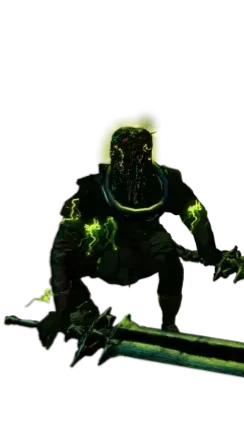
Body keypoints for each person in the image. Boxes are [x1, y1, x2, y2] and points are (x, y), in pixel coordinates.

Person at [40, 112, 221, 345]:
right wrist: (62, 305)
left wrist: (210, 255)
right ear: (114, 154)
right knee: (70, 260)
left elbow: (194, 215)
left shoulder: (167, 180)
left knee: (167, 254)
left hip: (148, 241)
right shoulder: (91, 189)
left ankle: (170, 323)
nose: (134, 162)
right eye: (127, 155)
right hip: (107, 247)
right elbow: (62, 247)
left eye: (141, 154)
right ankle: (83, 310)